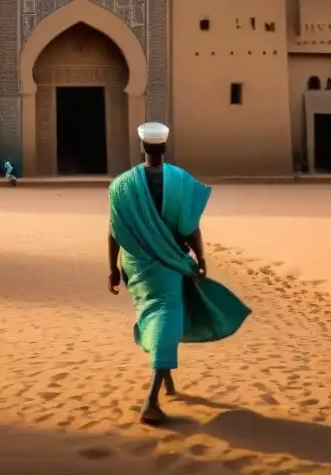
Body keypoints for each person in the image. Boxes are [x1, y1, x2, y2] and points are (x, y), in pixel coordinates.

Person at [107, 122, 251, 425]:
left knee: (159, 314)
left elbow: (114, 232)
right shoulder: (181, 181)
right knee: (165, 316)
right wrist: (200, 257)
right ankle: (151, 401)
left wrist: (112, 270)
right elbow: (190, 228)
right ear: (165, 147)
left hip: (137, 265)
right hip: (169, 262)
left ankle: (167, 381)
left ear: (142, 147)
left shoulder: (122, 185)